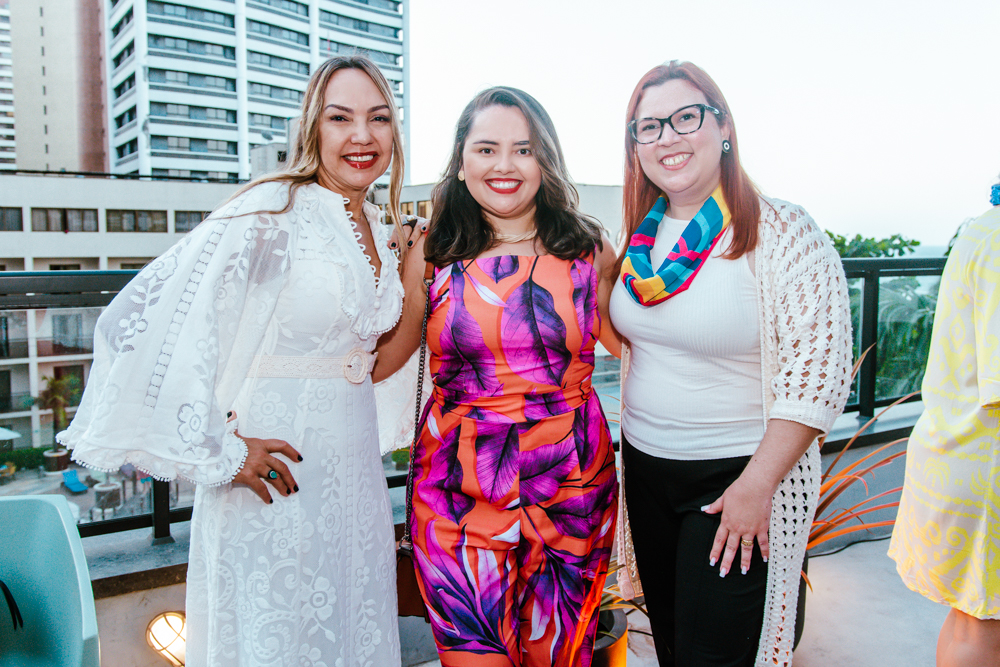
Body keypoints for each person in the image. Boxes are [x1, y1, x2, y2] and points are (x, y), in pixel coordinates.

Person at [62, 55, 407, 667]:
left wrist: (416, 261)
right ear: (312, 127)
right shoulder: (271, 211)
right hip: (274, 483)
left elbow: (369, 361)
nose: (362, 135)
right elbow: (130, 323)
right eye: (340, 118)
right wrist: (221, 447)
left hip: (353, 485)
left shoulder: (379, 228)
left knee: (351, 636)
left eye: (378, 118)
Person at [608, 61, 853, 666]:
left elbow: (818, 377)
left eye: (686, 117)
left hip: (734, 479)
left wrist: (757, 484)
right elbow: (638, 341)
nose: (668, 137)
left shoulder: (783, 230)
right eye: (649, 126)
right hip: (646, 468)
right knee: (671, 644)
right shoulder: (640, 237)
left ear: (723, 127)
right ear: (635, 146)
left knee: (716, 656)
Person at [373, 86, 620, 666]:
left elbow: (642, 348)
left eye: (523, 150)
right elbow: (380, 359)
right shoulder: (431, 250)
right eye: (486, 149)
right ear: (461, 162)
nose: (504, 165)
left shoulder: (590, 250)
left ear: (545, 161)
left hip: (572, 490)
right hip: (455, 494)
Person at [888, 183, 1000, 667]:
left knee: (970, 617)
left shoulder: (986, 228)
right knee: (985, 624)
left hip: (962, 449)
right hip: (988, 462)